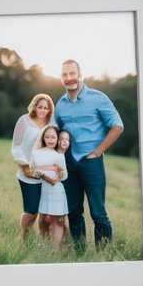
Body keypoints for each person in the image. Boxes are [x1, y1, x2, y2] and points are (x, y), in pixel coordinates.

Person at [54, 59, 123, 248]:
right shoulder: (60, 104)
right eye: (64, 75)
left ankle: (104, 254)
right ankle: (79, 254)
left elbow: (117, 126)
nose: (69, 78)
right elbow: (53, 131)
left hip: (92, 162)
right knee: (74, 211)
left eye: (72, 73)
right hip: (69, 163)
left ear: (80, 74)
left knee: (98, 212)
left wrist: (97, 152)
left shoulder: (98, 97)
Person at [10, 93, 54, 239]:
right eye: (40, 106)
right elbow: (16, 146)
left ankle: (45, 241)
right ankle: (23, 236)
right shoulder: (24, 120)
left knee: (46, 211)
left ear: (49, 110)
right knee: (31, 210)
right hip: (28, 172)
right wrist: (25, 167)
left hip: (46, 173)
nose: (42, 110)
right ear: (34, 106)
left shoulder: (51, 123)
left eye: (46, 108)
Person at [29, 125, 69, 250]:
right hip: (43, 189)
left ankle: (56, 249)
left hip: (56, 189)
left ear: (57, 139)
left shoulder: (59, 155)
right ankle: (45, 245)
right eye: (47, 137)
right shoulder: (36, 153)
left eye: (53, 137)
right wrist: (41, 174)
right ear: (43, 138)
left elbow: (65, 175)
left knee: (56, 219)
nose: (50, 140)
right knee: (44, 217)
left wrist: (60, 174)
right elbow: (33, 171)